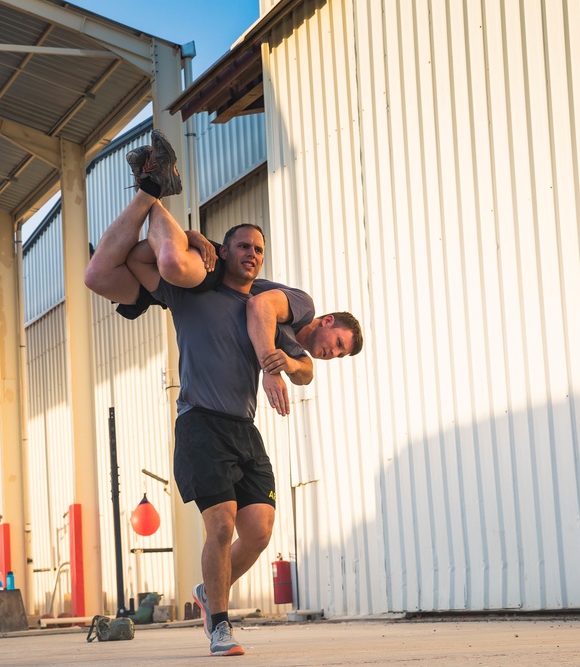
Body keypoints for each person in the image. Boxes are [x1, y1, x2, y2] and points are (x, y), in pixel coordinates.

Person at [83, 130, 361, 656]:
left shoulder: (277, 309)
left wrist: (293, 365)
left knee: (258, 529)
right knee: (221, 524)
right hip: (201, 421)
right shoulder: (193, 290)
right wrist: (183, 235)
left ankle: (210, 592)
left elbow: (301, 363)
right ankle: (219, 624)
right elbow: (113, 271)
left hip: (243, 427)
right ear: (225, 250)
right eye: (244, 246)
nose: (252, 255)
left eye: (259, 249)